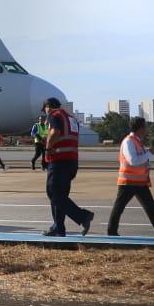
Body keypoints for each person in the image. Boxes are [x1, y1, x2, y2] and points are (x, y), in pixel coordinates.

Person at [42, 97, 94, 237]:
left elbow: (55, 132)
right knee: (60, 196)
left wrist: (47, 149)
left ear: (49, 107)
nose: (45, 112)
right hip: (72, 161)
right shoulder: (71, 118)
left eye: (45, 109)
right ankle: (58, 227)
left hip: (59, 160)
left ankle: (83, 216)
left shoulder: (54, 115)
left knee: (53, 193)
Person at [107, 117, 154, 236]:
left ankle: (112, 232)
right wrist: (150, 152)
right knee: (119, 208)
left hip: (139, 182)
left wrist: (149, 155)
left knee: (151, 208)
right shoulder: (128, 142)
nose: (146, 130)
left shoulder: (138, 142)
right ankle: (111, 233)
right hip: (128, 182)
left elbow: (142, 160)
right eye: (145, 127)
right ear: (140, 128)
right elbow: (133, 161)